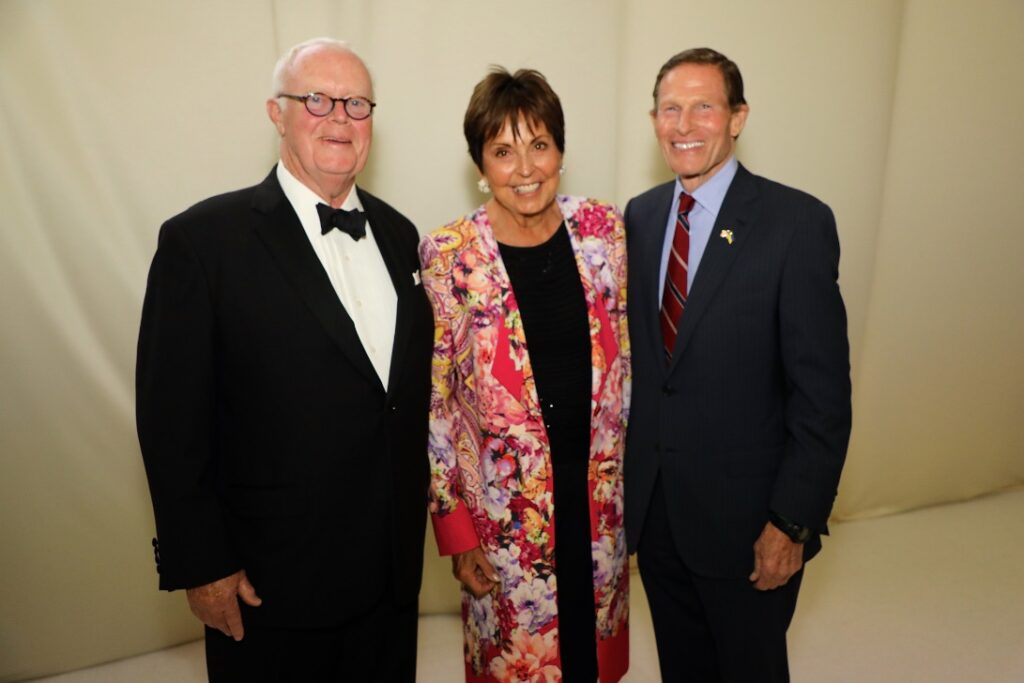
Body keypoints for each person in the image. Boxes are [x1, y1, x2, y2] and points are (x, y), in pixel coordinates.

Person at [135, 38, 432, 681]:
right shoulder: (201, 243)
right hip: (269, 585)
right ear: (277, 113)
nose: (339, 118)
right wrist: (201, 562)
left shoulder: (402, 235)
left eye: (356, 103)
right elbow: (171, 423)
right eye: (316, 99)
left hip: (389, 577)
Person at [624, 48, 852, 682]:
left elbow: (823, 396)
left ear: (738, 118)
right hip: (660, 516)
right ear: (653, 120)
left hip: (751, 524)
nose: (685, 124)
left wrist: (792, 522)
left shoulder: (796, 223)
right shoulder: (638, 218)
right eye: (670, 108)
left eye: (704, 106)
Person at [418, 67, 630, 683]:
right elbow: (438, 404)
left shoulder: (603, 231)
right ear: (479, 163)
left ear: (561, 150)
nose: (525, 168)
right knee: (520, 669)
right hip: (506, 519)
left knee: (592, 660)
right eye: (503, 152)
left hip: (597, 501)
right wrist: (456, 528)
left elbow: (631, 364)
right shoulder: (449, 255)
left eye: (539, 145)